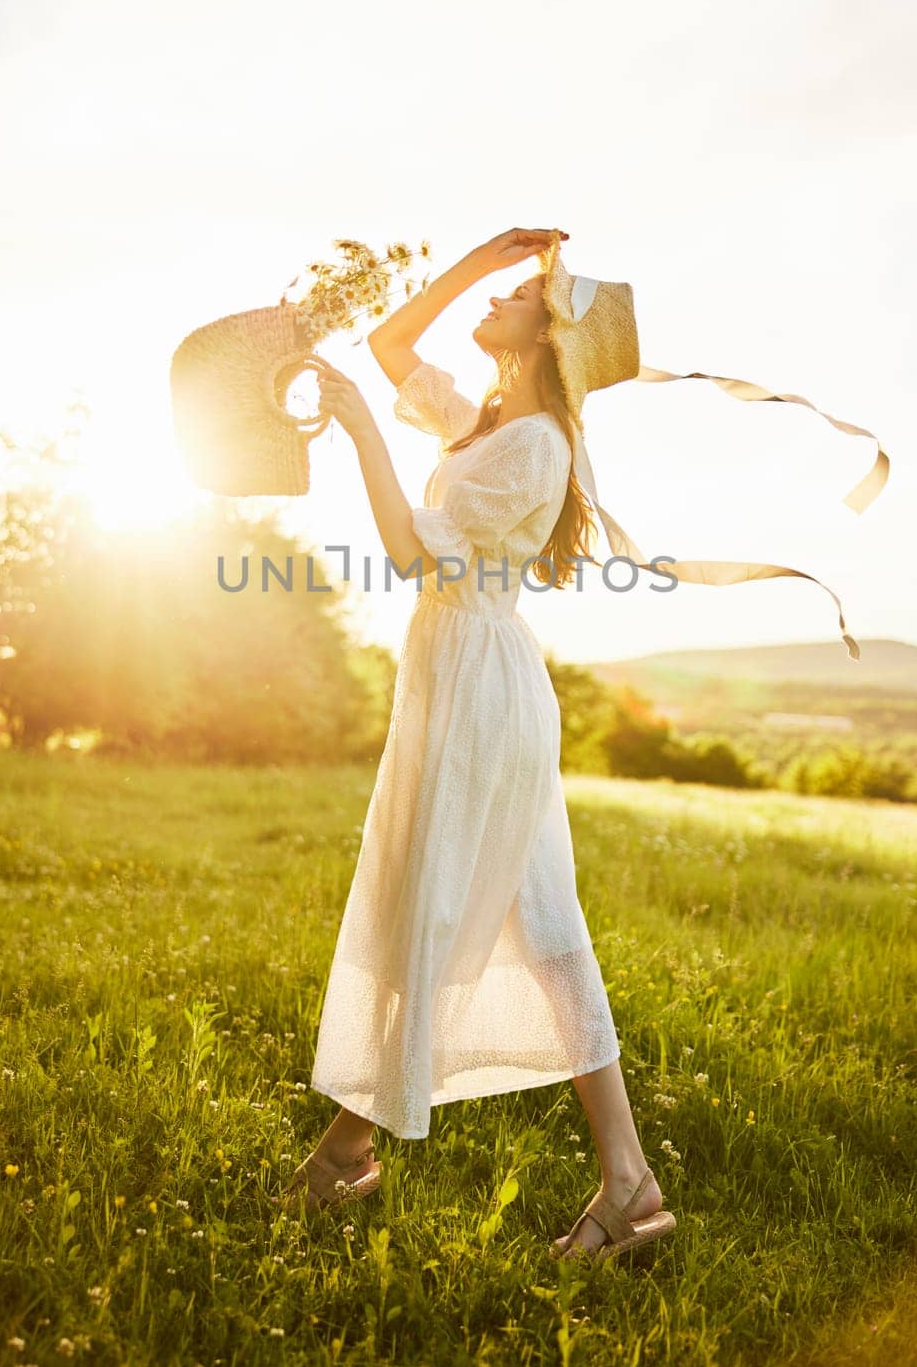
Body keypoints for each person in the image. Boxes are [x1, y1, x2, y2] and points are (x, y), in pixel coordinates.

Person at [269, 226, 677, 1261]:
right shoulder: (487, 421)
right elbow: (390, 348)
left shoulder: (534, 444)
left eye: (516, 297)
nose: (488, 305)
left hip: (480, 688)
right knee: (488, 906)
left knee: (471, 901)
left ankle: (355, 1152)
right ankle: (614, 1182)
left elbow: (415, 554)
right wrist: (484, 256)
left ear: (546, 339)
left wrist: (363, 434)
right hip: (460, 677)